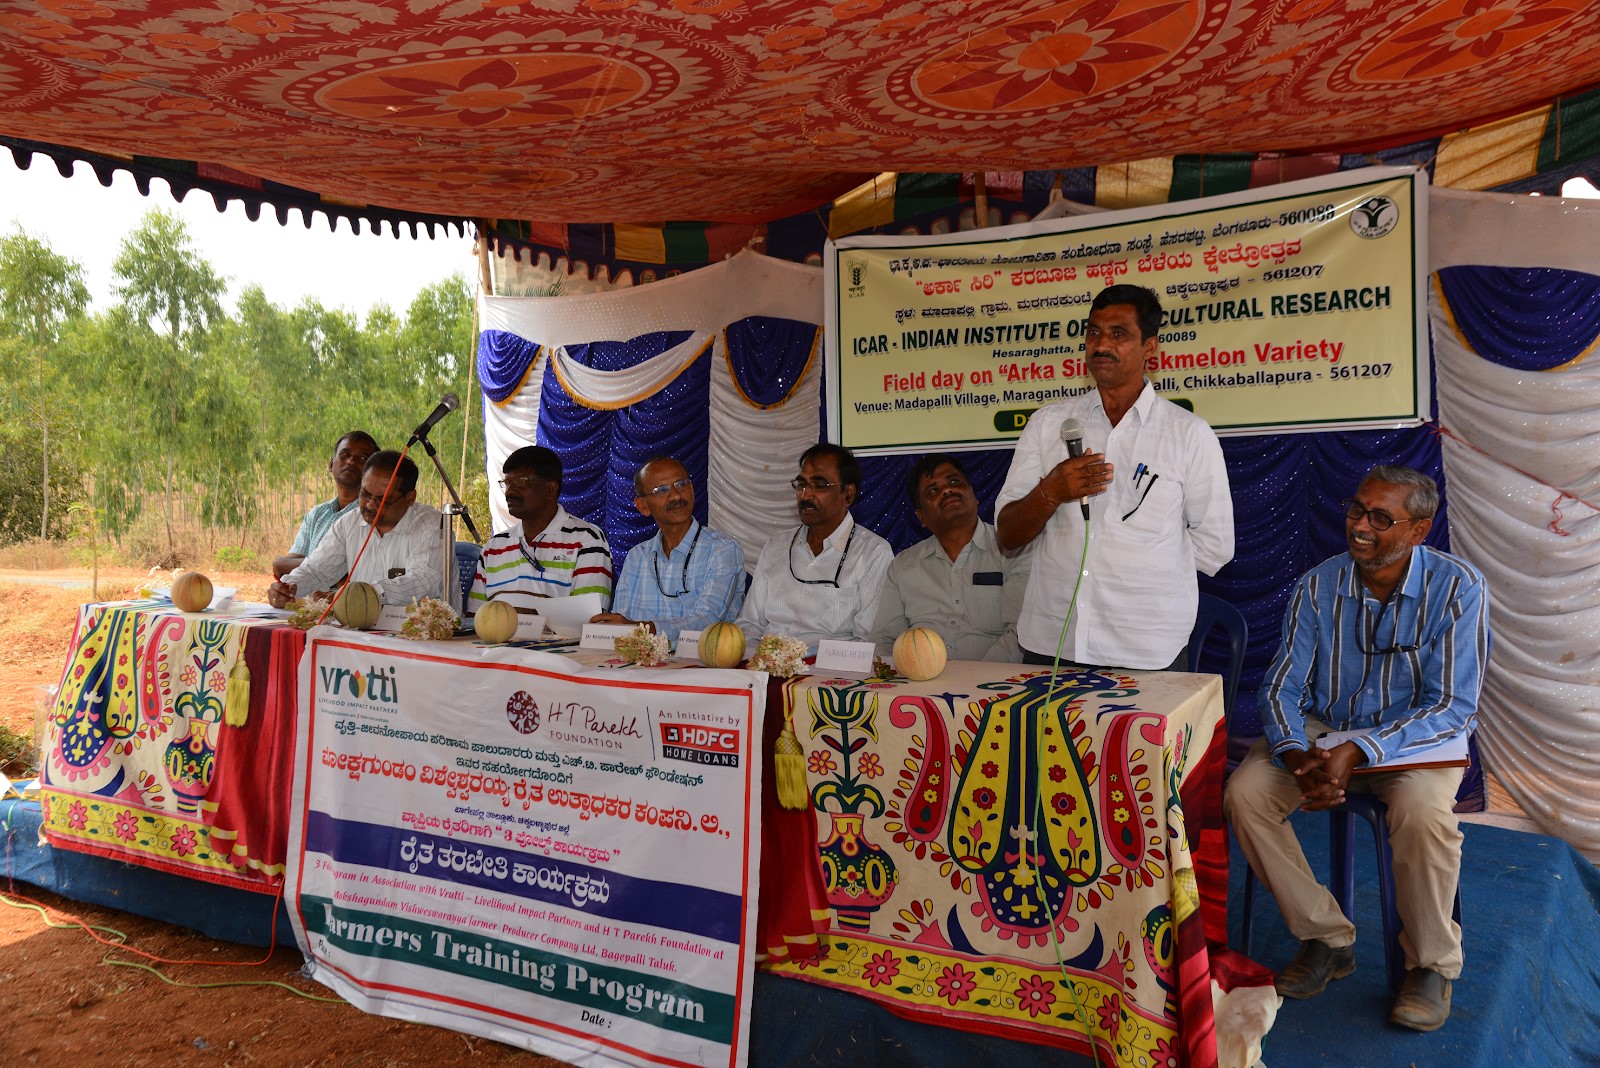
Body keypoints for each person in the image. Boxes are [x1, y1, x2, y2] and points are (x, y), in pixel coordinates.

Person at [1224, 465, 1489, 1032]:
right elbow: (1281, 687)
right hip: (1323, 735)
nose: (1360, 527)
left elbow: (1452, 707)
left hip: (1411, 744)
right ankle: (1327, 937)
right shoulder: (1318, 584)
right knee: (1245, 794)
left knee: (1421, 814)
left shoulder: (1458, 587)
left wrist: (1361, 750)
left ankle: (1430, 965)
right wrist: (1298, 756)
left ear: (1419, 530)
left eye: (1380, 518)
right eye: (1356, 510)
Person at [995, 283, 1233, 670]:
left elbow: (1215, 547)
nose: (1101, 345)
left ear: (1150, 349)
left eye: (1118, 334)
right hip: (1053, 643)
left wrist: (1143, 568)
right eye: (1093, 332)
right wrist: (1051, 492)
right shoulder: (1048, 425)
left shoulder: (1189, 434)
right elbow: (1006, 536)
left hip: (1146, 648)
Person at [869, 453, 1030, 662]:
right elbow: (886, 640)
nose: (947, 490)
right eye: (933, 490)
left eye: (954, 481)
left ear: (973, 494)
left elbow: (1021, 631)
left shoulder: (1012, 549)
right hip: (921, 687)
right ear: (921, 517)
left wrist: (976, 679)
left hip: (997, 686)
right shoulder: (903, 566)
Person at [736, 443, 892, 654]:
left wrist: (802, 660)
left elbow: (868, 641)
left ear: (848, 494)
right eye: (801, 485)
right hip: (766, 672)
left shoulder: (873, 553)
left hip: (829, 678)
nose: (806, 495)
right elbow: (749, 626)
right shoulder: (775, 546)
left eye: (819, 485)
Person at [590, 456, 745, 643]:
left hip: (703, 665)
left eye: (681, 484)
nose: (676, 496)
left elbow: (709, 620)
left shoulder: (723, 549)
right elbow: (623, 622)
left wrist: (645, 629)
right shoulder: (637, 556)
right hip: (641, 665)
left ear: (693, 492)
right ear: (643, 506)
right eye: (661, 490)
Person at [268, 450, 452, 608]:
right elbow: (317, 570)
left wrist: (359, 596)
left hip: (425, 638)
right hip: (361, 633)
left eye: (382, 499)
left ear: (410, 498)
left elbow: (423, 581)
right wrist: (288, 588)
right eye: (365, 494)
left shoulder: (434, 524)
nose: (370, 505)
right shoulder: (349, 523)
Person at [466, 445, 612, 619]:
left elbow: (590, 618)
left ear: (550, 489)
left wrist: (522, 621)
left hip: (559, 646)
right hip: (496, 645)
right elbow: (475, 617)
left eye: (521, 482)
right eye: (507, 483)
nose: (510, 491)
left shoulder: (587, 540)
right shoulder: (494, 547)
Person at [272, 431, 378, 579]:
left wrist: (303, 566)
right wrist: (328, 566)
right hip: (305, 601)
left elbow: (356, 573)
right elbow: (282, 568)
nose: (351, 461)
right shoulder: (317, 514)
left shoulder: (374, 516)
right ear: (331, 464)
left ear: (373, 472)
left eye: (362, 458)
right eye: (345, 455)